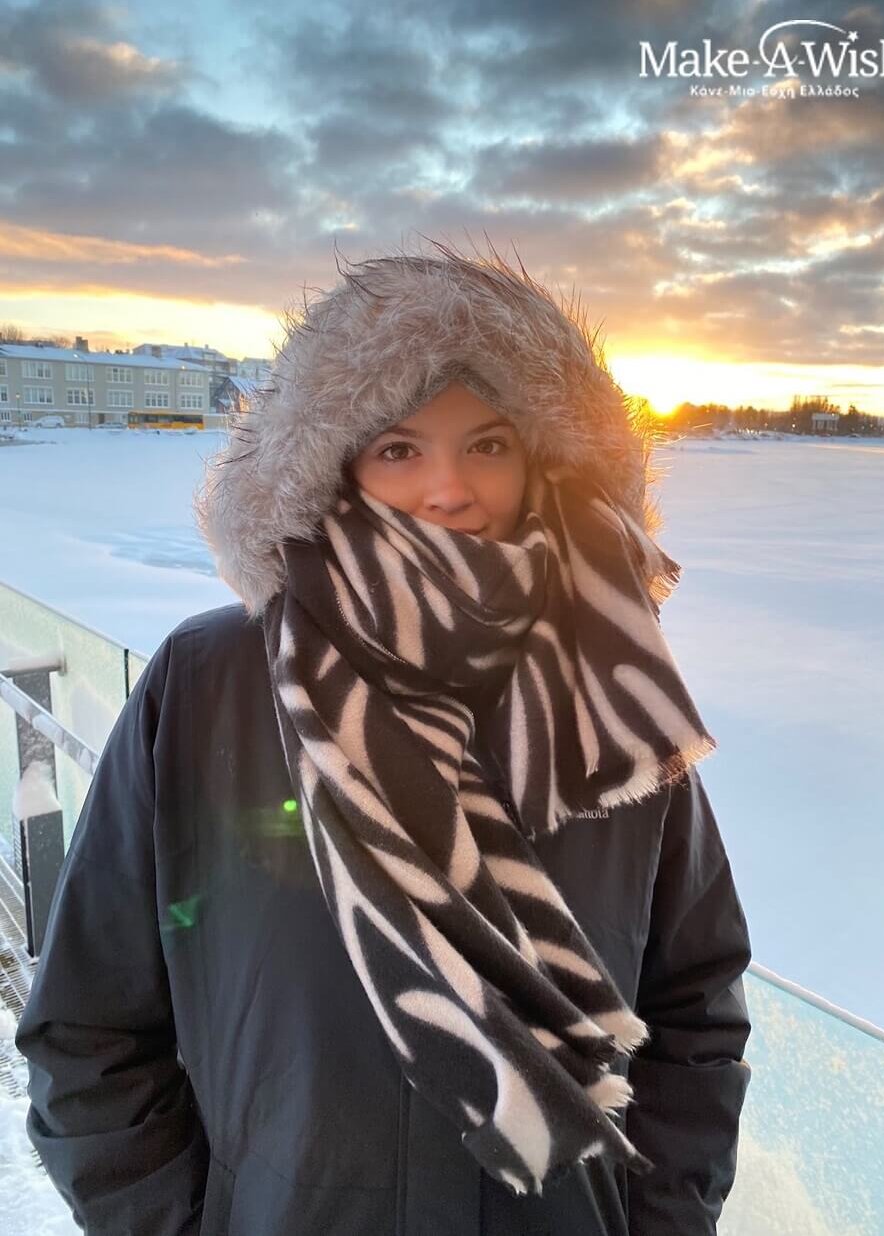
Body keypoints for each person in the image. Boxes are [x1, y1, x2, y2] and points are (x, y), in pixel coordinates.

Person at [16, 239, 753, 1235]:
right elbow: (89, 1026)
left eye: (488, 443)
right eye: (400, 448)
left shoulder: (610, 693)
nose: (448, 489)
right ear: (334, 468)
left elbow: (695, 1010)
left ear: (544, 461)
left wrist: (659, 1222)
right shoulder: (207, 683)